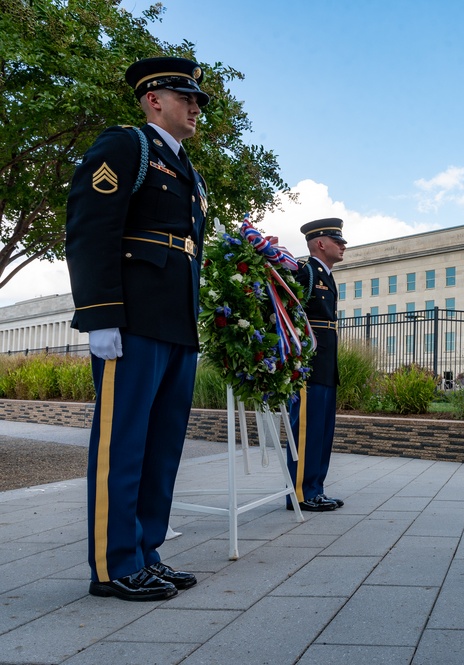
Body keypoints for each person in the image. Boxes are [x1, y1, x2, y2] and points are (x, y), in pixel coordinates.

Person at [65, 57, 210, 601]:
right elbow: (89, 230)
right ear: (153, 100)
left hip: (175, 324)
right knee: (122, 444)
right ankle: (113, 564)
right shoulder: (127, 146)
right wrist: (100, 316)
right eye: (185, 97)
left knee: (161, 446)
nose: (195, 107)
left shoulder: (186, 169)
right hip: (132, 322)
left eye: (196, 100)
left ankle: (146, 552)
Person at [286, 218, 347, 512]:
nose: (343, 245)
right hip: (309, 365)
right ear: (320, 243)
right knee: (306, 430)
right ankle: (299, 493)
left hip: (325, 365)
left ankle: (315, 489)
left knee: (322, 430)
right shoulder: (305, 272)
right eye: (338, 241)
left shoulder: (326, 275)